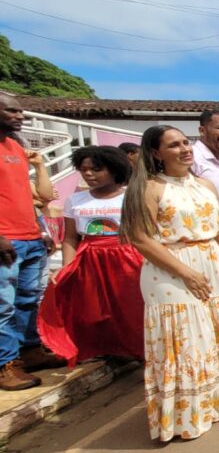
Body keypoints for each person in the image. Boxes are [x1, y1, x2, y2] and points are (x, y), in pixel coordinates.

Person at [120, 125, 219, 442]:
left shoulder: (205, 185)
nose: (184, 149)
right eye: (174, 145)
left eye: (185, 142)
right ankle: (190, 415)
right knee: (186, 341)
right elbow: (141, 239)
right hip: (170, 271)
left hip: (213, 265)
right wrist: (186, 273)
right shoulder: (149, 188)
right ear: (155, 153)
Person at [38, 146, 145, 367]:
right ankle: (103, 349)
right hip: (89, 258)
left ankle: (138, 351)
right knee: (93, 310)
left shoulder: (133, 196)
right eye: (83, 169)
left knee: (130, 308)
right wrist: (68, 267)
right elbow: (69, 237)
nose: (88, 174)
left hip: (126, 257)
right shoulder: (75, 200)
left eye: (96, 169)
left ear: (115, 169)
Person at [0, 92, 65, 390]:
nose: (20, 116)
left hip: (30, 237)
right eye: (12, 111)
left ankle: (30, 352)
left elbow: (27, 194)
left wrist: (42, 230)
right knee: (3, 305)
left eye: (20, 110)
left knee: (28, 299)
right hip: (6, 241)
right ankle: (5, 365)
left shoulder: (15, 146)